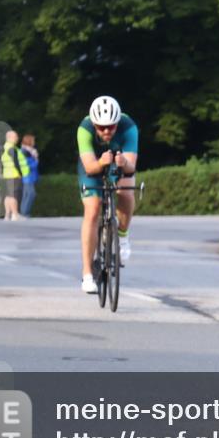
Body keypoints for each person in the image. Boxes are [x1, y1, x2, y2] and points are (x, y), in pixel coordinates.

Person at [78, 96, 139, 294]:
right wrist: (102, 163)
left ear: (117, 123)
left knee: (126, 193)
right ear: (94, 124)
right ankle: (87, 274)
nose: (106, 131)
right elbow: (89, 166)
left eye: (111, 127)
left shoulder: (129, 127)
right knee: (93, 209)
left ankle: (122, 235)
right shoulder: (84, 129)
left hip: (119, 164)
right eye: (101, 127)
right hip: (94, 166)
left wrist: (122, 163)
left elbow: (131, 167)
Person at [0, 130, 28, 220]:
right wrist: (20, 173)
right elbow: (16, 162)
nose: (17, 138)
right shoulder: (12, 148)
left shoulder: (4, 148)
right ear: (9, 137)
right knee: (14, 195)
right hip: (14, 174)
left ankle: (7, 215)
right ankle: (15, 214)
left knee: (8, 195)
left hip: (7, 174)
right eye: (15, 136)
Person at [20, 134, 39, 218]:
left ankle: (23, 212)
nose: (34, 142)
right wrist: (36, 160)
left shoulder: (28, 151)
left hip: (29, 176)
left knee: (26, 194)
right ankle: (25, 213)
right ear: (29, 141)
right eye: (33, 140)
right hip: (28, 176)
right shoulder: (25, 152)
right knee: (31, 194)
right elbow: (28, 165)